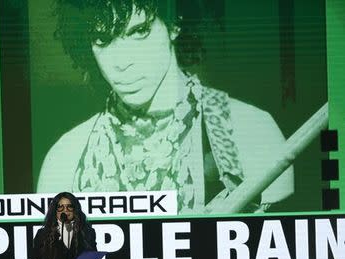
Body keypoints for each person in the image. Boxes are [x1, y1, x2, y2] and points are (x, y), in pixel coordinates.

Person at [36, 0, 294, 214]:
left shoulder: (251, 132)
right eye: (102, 39)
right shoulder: (66, 158)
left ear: (174, 23)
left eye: (139, 32)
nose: (122, 62)